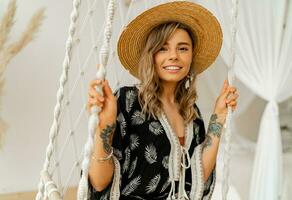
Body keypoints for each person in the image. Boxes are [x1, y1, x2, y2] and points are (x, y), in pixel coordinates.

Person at [87, 1, 239, 200]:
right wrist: (104, 128)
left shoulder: (191, 113)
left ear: (191, 56)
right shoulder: (127, 101)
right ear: (151, 55)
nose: (174, 56)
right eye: (163, 48)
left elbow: (198, 177)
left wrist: (219, 116)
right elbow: (99, 183)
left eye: (183, 48)